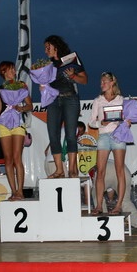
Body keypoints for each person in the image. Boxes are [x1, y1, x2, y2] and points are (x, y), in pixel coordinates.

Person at [0, 61, 32, 201]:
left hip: (17, 122)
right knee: (8, 158)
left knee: (17, 157)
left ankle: (20, 191)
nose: (14, 71)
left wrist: (22, 108)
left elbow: (30, 105)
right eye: (11, 69)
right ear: (4, 72)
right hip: (3, 124)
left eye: (14, 69)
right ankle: (13, 191)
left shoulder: (21, 85)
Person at [43, 35, 88, 178]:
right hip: (53, 101)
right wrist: (43, 86)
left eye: (48, 47)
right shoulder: (47, 65)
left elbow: (84, 80)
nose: (46, 50)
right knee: (53, 135)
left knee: (70, 135)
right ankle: (59, 170)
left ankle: (73, 169)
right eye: (45, 48)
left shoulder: (71, 59)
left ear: (56, 46)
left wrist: (73, 76)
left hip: (70, 98)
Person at [88, 72, 130, 215]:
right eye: (101, 82)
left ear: (112, 82)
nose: (102, 84)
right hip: (103, 136)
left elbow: (126, 118)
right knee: (100, 172)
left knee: (120, 171)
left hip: (118, 135)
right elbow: (91, 122)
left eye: (104, 81)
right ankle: (99, 205)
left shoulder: (121, 100)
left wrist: (126, 122)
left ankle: (118, 206)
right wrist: (101, 123)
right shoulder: (98, 100)